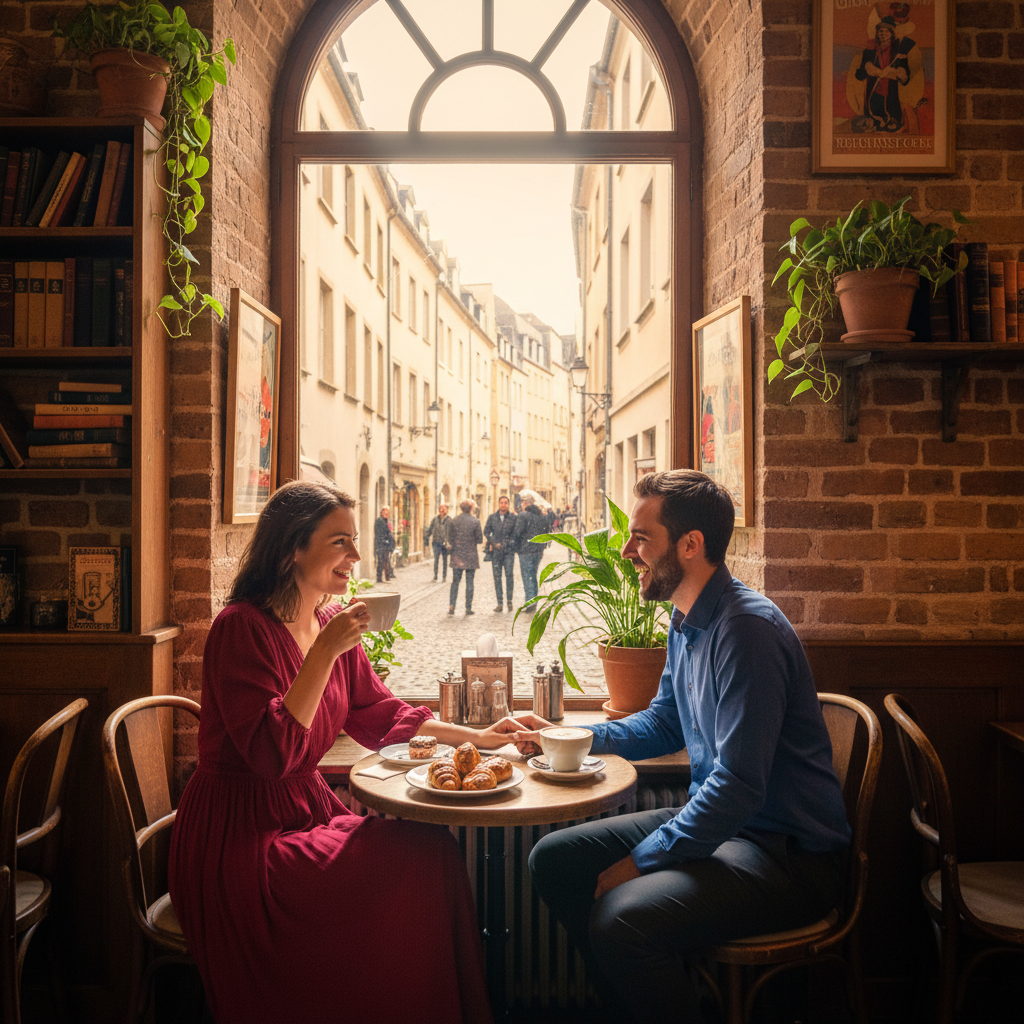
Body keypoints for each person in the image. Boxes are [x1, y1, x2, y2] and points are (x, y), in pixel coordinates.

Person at [501, 469, 850, 1023]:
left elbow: (737, 786)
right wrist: (561, 736)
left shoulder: (746, 631)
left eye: (642, 536)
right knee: (555, 860)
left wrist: (641, 862)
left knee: (621, 918)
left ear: (691, 545)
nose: (627, 549)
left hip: (787, 856)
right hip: (734, 830)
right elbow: (664, 723)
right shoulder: (687, 617)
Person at [167, 481, 517, 1023]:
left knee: (434, 850)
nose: (356, 556)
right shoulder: (240, 629)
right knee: (413, 862)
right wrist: (324, 653)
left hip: (302, 811)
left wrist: (481, 738)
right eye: (340, 543)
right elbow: (273, 754)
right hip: (242, 838)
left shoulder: (328, 622)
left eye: (354, 541)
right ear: (292, 550)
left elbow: (382, 713)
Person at [853, 15, 918, 133]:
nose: (883, 34)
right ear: (877, 34)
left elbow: (905, 77)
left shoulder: (899, 50)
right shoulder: (869, 51)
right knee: (873, 123)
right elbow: (860, 75)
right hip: (873, 91)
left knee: (892, 123)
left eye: (886, 31)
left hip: (891, 91)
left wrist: (901, 73)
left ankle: (893, 122)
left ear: (891, 34)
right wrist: (866, 68)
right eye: (880, 31)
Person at [448, 499, 483, 616]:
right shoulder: (475, 521)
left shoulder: (454, 521)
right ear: (471, 509)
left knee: (455, 582)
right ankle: (468, 607)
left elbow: (450, 538)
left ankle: (452, 605)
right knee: (469, 583)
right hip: (470, 556)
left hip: (457, 556)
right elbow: (480, 539)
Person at [512, 501, 549, 612]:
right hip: (538, 551)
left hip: (525, 550)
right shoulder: (542, 517)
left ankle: (529, 601)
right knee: (533, 575)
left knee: (527, 575)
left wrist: (514, 545)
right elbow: (547, 532)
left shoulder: (523, 516)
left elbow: (517, 532)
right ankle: (534, 600)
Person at [483, 496, 517, 612]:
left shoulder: (513, 518)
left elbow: (515, 534)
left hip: (508, 552)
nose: (503, 505)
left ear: (508, 504)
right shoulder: (492, 517)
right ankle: (500, 603)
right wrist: (493, 541)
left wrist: (506, 543)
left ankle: (509, 601)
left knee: (509, 576)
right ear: (498, 504)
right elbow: (486, 531)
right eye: (501, 503)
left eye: (506, 503)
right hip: (496, 553)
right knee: (497, 577)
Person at [424, 502, 452, 581]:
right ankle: (435, 576)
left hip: (445, 543)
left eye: (444, 509)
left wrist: (450, 542)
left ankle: (444, 576)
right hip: (436, 542)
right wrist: (426, 538)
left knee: (445, 560)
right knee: (436, 559)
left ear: (447, 510)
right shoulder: (435, 519)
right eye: (441, 509)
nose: (442, 510)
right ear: (439, 510)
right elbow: (430, 529)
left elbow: (452, 532)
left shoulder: (449, 520)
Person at [373, 505, 395, 582]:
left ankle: (387, 576)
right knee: (381, 561)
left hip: (385, 545)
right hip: (381, 544)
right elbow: (380, 533)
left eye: (387, 512)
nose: (386, 514)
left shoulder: (385, 521)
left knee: (385, 560)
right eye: (385, 512)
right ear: (382, 512)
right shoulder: (380, 521)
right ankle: (379, 578)